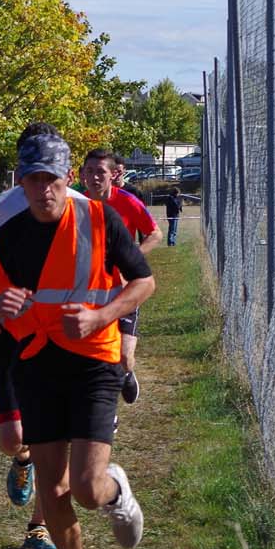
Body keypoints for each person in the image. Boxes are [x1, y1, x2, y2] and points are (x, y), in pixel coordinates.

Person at [0, 128, 153, 549]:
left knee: (87, 488)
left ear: (69, 178)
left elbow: (143, 283)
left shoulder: (99, 219)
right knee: (52, 485)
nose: (44, 190)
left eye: (52, 179)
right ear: (20, 183)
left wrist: (100, 316)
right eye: (33, 180)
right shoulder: (8, 239)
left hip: (93, 360)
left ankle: (117, 492)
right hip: (36, 365)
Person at [0, 124, 91, 549]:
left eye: (48, 172)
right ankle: (23, 460)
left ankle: (40, 527)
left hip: (67, 339)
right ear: (20, 174)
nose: (40, 182)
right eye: (31, 172)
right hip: (17, 335)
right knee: (11, 437)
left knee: (60, 436)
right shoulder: (2, 208)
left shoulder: (82, 209)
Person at [83, 153, 159, 404]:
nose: (94, 177)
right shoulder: (76, 204)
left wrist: (131, 258)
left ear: (113, 175)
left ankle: (127, 373)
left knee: (124, 356)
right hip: (89, 290)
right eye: (89, 170)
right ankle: (107, 411)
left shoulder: (127, 201)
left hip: (125, 288)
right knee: (94, 354)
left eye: (100, 172)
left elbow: (155, 234)